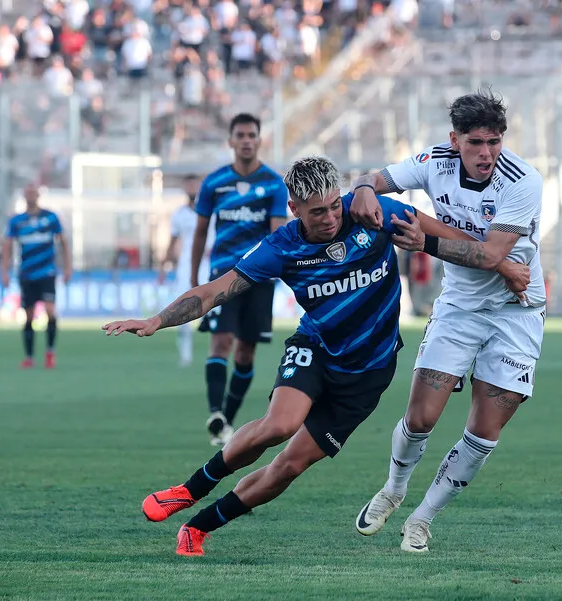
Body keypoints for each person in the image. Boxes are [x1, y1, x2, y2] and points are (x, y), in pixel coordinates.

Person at [101, 156, 530, 557]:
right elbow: (214, 291)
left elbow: (447, 235)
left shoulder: (371, 212)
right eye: (316, 213)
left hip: (368, 373)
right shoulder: (282, 247)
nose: (328, 219)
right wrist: (158, 319)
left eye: (332, 207)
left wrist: (503, 264)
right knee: (279, 425)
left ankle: (198, 527)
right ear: (293, 209)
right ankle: (190, 488)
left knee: (288, 466)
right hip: (317, 349)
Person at [348, 88, 547, 553]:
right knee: (420, 417)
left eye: (495, 142)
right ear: (455, 140)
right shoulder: (435, 161)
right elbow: (375, 178)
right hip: (459, 305)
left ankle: (422, 518)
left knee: (484, 431)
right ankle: (394, 490)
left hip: (516, 311)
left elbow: (492, 253)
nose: (486, 154)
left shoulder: (523, 181)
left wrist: (426, 242)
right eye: (476, 143)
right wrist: (361, 187)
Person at [191, 113, 290, 446]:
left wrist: (282, 270)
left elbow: (278, 232)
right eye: (241, 135)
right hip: (223, 275)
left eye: (252, 135)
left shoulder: (274, 183)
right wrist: (194, 277)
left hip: (260, 278)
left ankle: (225, 423)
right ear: (231, 141)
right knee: (220, 342)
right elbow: (201, 230)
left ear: (259, 140)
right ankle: (214, 411)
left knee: (246, 352)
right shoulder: (214, 182)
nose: (247, 140)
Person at [1, 183, 72, 369]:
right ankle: (30, 357)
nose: (30, 195)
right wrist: (5, 271)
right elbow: (7, 245)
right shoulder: (17, 221)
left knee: (50, 310)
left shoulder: (50, 217)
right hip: (26, 274)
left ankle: (50, 351)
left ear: (38, 196)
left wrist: (67, 268)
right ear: (25, 196)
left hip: (47, 272)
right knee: (29, 315)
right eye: (28, 193)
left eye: (33, 192)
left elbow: (63, 242)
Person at [157, 174, 215, 367]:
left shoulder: (212, 212)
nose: (191, 189)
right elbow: (172, 241)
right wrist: (164, 265)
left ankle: (216, 354)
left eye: (194, 185)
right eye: (188, 185)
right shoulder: (179, 214)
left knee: (215, 311)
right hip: (185, 268)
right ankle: (186, 355)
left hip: (209, 266)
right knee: (182, 310)